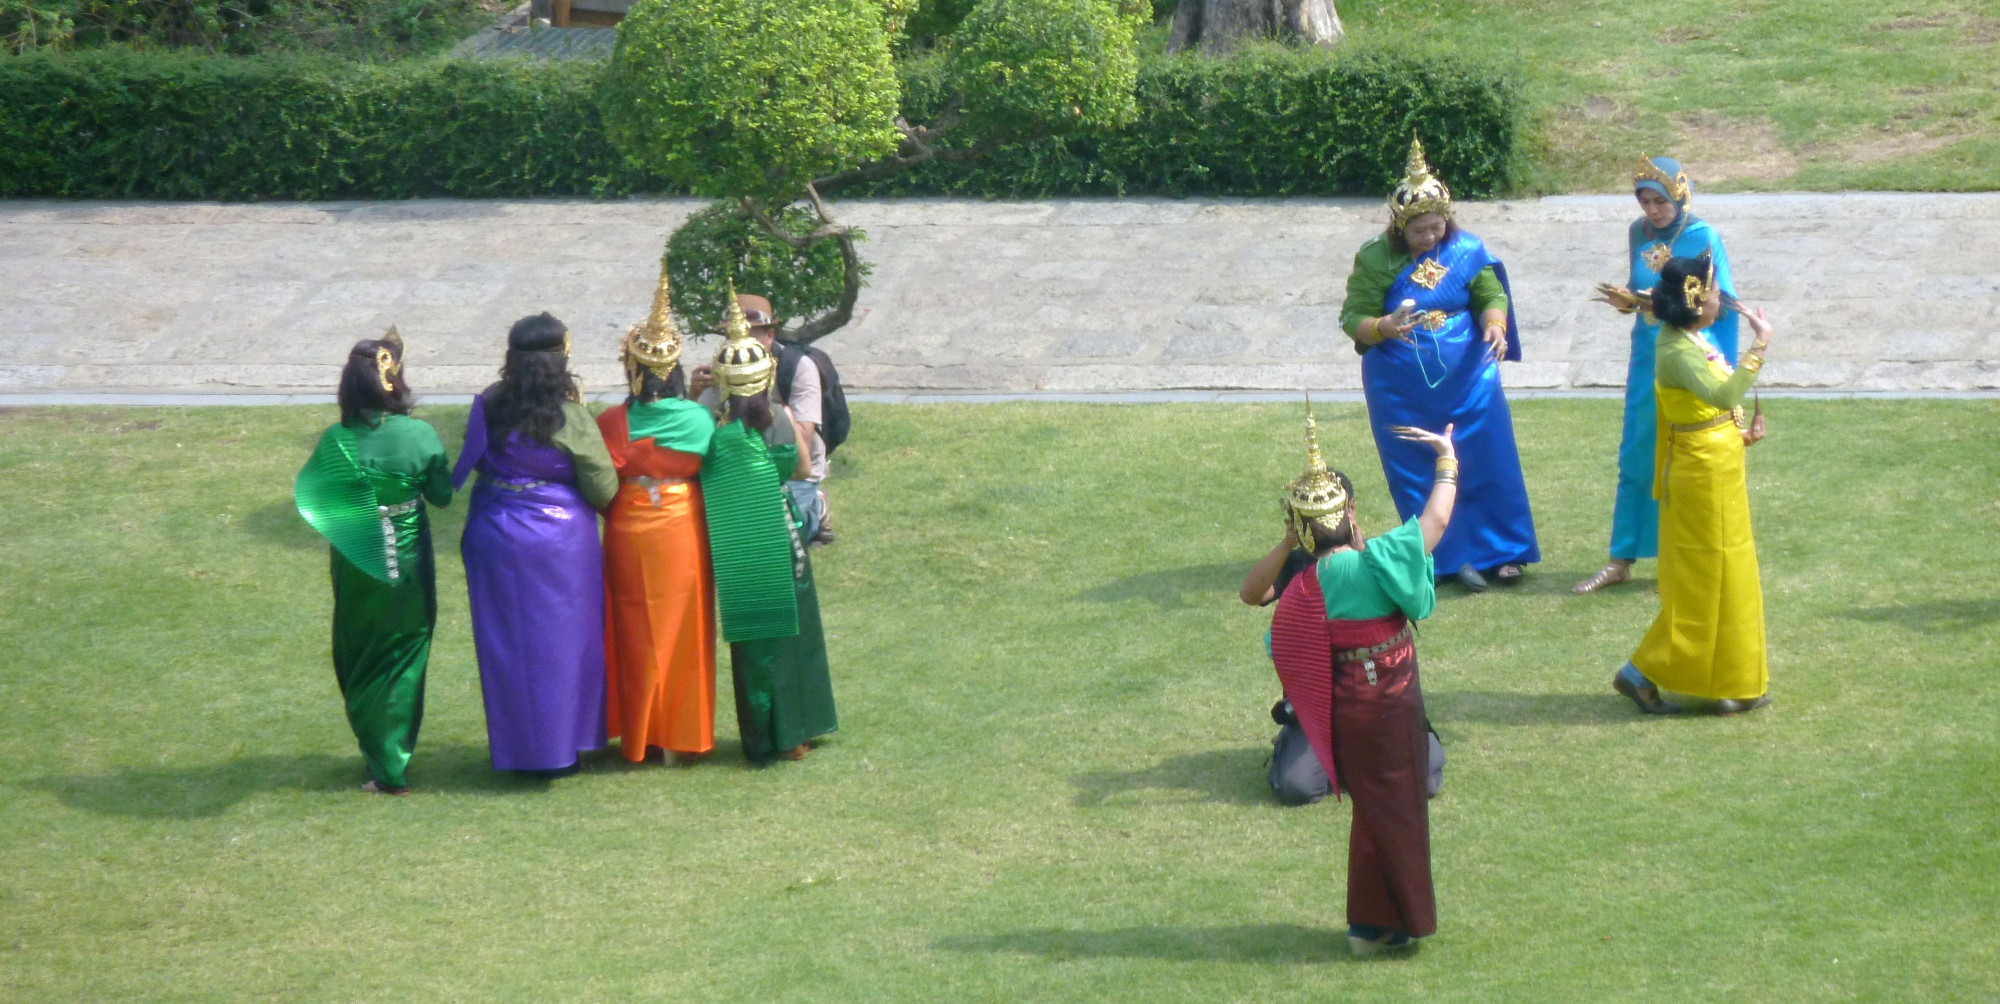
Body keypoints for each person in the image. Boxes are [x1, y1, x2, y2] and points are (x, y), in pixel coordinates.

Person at [1263, 400, 1457, 956]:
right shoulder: (1376, 561)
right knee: (1397, 812)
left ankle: (1373, 925)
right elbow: (1437, 519)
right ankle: (1380, 925)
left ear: (1303, 529)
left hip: (1345, 711)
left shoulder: (1304, 588)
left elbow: (1283, 647)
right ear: (1349, 513)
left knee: (1375, 814)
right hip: (1392, 706)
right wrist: (1447, 460)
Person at [1340, 137, 1538, 592]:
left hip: (1470, 376)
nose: (1430, 238)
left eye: (1436, 228)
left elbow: (1490, 293)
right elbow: (1352, 318)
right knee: (1420, 466)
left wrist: (1494, 325)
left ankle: (1506, 551)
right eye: (1420, 231)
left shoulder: (1466, 249)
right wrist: (1385, 326)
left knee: (1490, 458)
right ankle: (1448, 558)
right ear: (1400, 227)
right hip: (1401, 387)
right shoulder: (1375, 259)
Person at [454, 313, 619, 773]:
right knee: (564, 648)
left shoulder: (488, 404)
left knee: (506, 648)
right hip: (560, 547)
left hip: (494, 535)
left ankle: (518, 751)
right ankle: (564, 750)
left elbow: (471, 459)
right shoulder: (573, 418)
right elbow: (604, 489)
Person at [1576, 157, 1744, 594]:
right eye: (1645, 201)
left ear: (1680, 195)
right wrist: (1630, 301)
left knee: (1689, 455)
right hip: (1647, 356)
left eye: (1660, 201)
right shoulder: (1637, 233)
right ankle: (1621, 558)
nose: (1652, 210)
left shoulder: (1703, 236)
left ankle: (1694, 556)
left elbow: (1719, 303)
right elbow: (1645, 289)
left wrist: (1659, 306)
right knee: (1636, 453)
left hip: (1690, 353)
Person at [1615, 253, 1773, 716]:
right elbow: (1724, 394)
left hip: (1716, 470)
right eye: (1714, 291)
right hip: (1702, 480)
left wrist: (1740, 434)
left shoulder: (1688, 338)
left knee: (1729, 575)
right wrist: (1760, 345)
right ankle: (1642, 671)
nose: (1720, 297)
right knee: (1709, 579)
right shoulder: (1679, 350)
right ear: (1694, 300)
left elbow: (1704, 410)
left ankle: (1731, 679)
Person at [295, 329, 452, 796]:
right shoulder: (419, 434)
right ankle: (391, 762)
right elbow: (442, 497)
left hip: (355, 562)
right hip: (408, 565)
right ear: (393, 381)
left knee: (357, 650)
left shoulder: (333, 441)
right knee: (404, 652)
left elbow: (321, 501)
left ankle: (380, 756)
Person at [701, 289, 838, 764]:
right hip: (778, 534)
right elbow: (803, 469)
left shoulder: (708, 423)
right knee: (792, 637)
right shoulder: (776, 418)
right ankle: (795, 731)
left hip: (732, 539)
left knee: (751, 642)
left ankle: (760, 736)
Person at [598, 268, 719, 765]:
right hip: (682, 529)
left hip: (628, 531)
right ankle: (678, 736)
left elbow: (601, 484)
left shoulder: (611, 421)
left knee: (633, 630)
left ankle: (640, 735)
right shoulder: (697, 419)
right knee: (685, 630)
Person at [692, 293, 831, 544]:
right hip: (735, 472)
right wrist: (694, 394)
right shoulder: (722, 368)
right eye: (732, 336)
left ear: (770, 335)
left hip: (787, 474)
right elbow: (696, 434)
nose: (740, 344)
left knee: (783, 536)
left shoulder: (798, 367)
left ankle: (816, 508)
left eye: (751, 335)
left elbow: (803, 443)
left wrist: (757, 402)